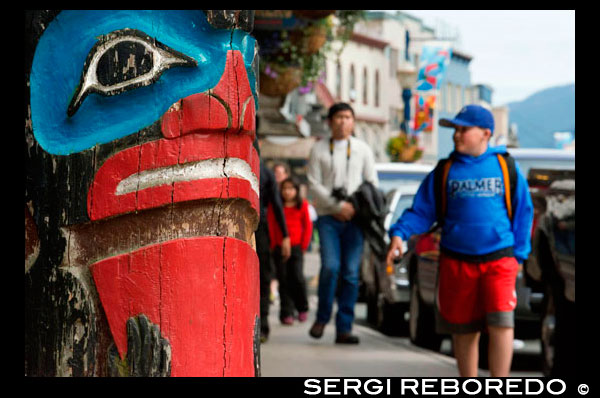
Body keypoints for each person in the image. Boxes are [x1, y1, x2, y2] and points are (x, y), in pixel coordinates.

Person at [385, 105, 534, 377]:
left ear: (486, 133)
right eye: (455, 129)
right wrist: (399, 234)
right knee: (464, 328)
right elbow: (421, 211)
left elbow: (524, 212)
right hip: (456, 260)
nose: (457, 135)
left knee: (501, 323)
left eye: (464, 129)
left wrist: (518, 256)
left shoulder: (505, 167)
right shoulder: (445, 170)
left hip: (499, 259)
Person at [307, 102, 378, 344]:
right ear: (329, 121)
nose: (343, 122)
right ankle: (322, 317)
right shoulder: (318, 149)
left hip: (355, 220)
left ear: (353, 121)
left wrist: (354, 207)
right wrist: (337, 207)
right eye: (338, 117)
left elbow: (371, 184)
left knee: (350, 273)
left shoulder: (362, 149)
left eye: (348, 117)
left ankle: (344, 327)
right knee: (330, 267)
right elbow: (313, 183)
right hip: (328, 217)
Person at [267, 176, 313, 325]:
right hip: (279, 248)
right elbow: (272, 226)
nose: (287, 192)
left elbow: (307, 226)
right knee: (284, 280)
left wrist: (304, 246)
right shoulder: (276, 206)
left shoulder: (303, 205)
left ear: (296, 191)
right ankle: (286, 313)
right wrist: (274, 245)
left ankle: (302, 308)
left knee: (298, 278)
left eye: (291, 189)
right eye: (285, 188)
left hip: (297, 247)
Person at [257, 158, 291, 343]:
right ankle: (262, 328)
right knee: (262, 277)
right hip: (258, 227)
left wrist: (285, 236)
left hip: (251, 227)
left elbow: (277, 206)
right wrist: (285, 235)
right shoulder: (265, 171)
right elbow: (277, 205)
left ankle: (261, 326)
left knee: (261, 277)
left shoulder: (262, 170)